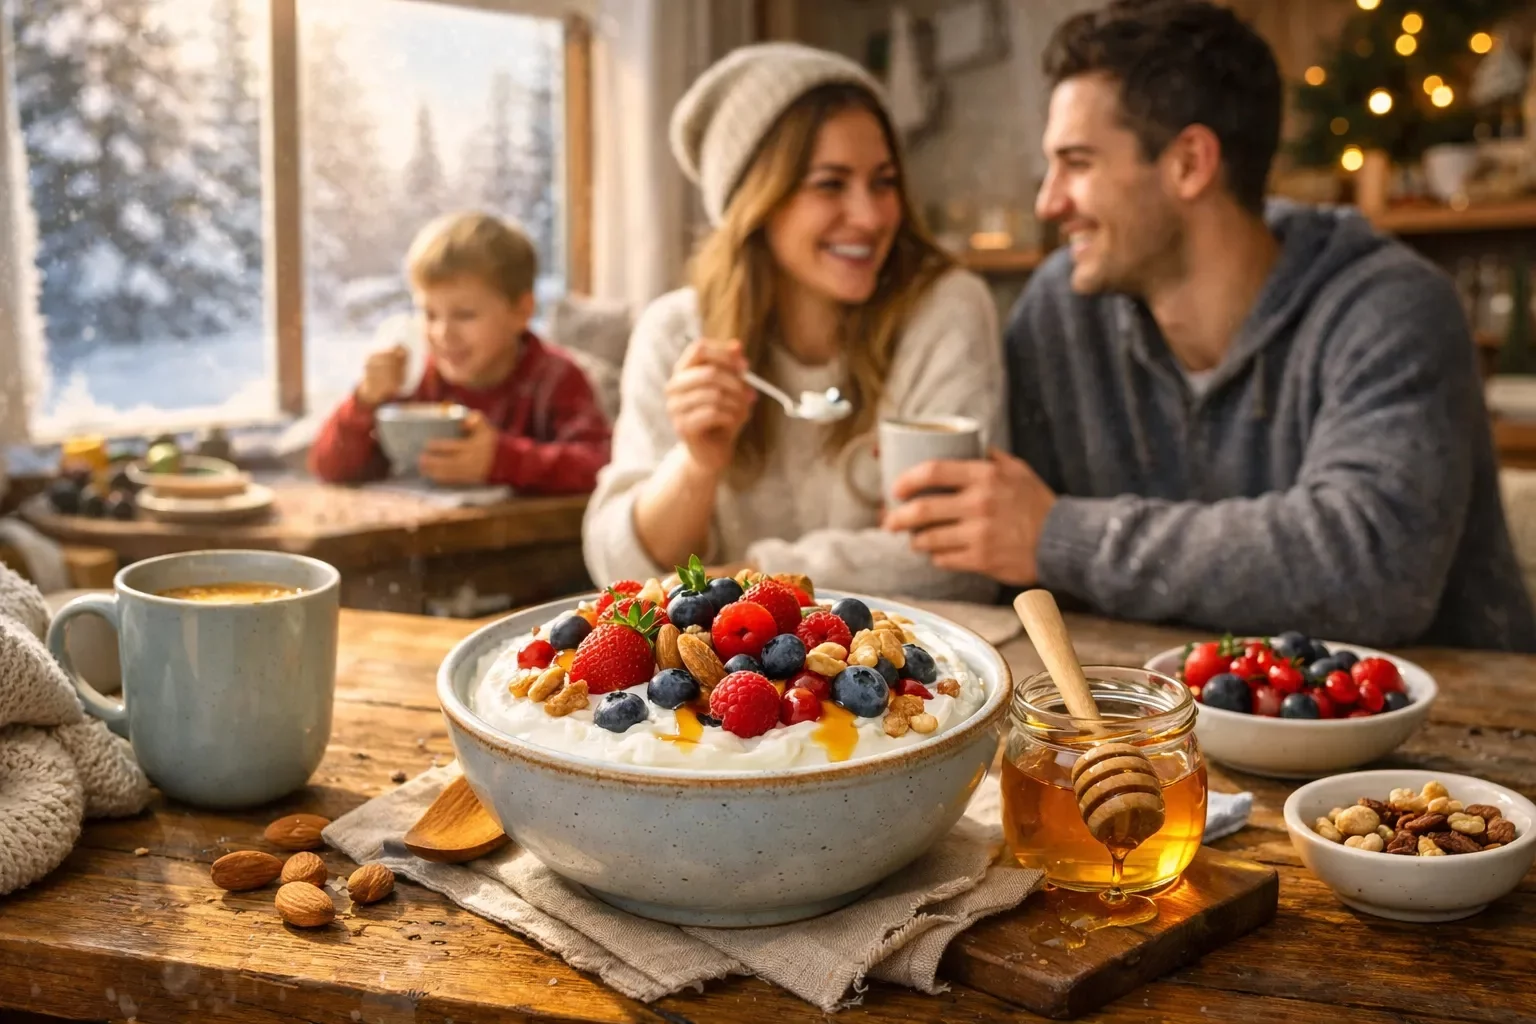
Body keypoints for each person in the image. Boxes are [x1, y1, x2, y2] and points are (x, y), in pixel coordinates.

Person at [883, 0, 1536, 651]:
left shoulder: (1391, 307)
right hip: (1155, 725)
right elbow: (1008, 548)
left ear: (1191, 163)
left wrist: (1061, 537)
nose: (1048, 202)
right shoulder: (1061, 311)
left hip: (1448, 730)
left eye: (1077, 163)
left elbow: (1374, 568)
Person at [582, 43, 1006, 599]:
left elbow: (958, 559)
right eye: (830, 183)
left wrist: (747, 575)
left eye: (883, 181)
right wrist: (697, 464)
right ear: (755, 202)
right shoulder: (675, 332)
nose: (872, 215)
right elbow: (618, 567)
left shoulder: (945, 309)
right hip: (722, 682)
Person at [309, 212, 611, 493]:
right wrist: (365, 399)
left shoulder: (556, 380)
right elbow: (329, 467)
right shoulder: (418, 382)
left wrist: (501, 461)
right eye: (429, 314)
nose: (443, 333)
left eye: (465, 315)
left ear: (522, 311)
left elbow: (599, 465)